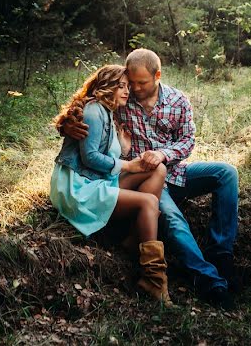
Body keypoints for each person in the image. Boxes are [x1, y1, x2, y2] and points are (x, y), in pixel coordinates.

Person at [60, 49, 240, 309]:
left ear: (157, 75)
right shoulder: (121, 98)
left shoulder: (178, 101)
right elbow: (87, 104)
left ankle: (221, 255)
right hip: (141, 179)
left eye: (141, 83)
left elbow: (188, 141)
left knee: (226, 173)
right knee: (175, 221)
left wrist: (163, 154)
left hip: (174, 171)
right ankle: (209, 281)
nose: (134, 88)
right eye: (130, 82)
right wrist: (66, 125)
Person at [49, 64, 171, 303]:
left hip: (94, 180)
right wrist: (128, 165)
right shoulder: (94, 110)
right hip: (78, 188)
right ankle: (154, 279)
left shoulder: (108, 111)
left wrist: (123, 149)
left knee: (158, 168)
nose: (127, 91)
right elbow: (90, 157)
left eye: (127, 86)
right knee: (148, 202)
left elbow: (102, 153)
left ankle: (133, 238)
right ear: (106, 87)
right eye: (121, 86)